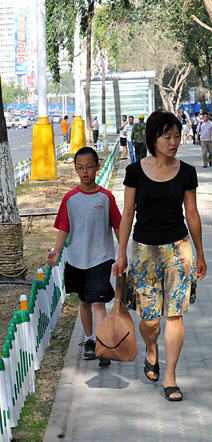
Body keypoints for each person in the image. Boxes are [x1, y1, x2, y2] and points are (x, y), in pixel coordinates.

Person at [114, 110, 207, 402]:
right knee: (150, 321)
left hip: (179, 250)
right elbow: (127, 213)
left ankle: (170, 377)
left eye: (177, 136)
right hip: (143, 252)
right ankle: (151, 350)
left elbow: (191, 214)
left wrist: (200, 253)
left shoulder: (187, 172)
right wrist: (121, 255)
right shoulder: (134, 171)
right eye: (167, 136)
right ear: (153, 138)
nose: (174, 142)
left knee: (175, 315)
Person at [48, 147, 121, 367]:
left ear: (97, 167)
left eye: (89, 167)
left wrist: (122, 254)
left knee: (98, 302)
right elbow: (63, 226)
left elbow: (118, 225)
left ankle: (102, 344)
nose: (85, 172)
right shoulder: (70, 199)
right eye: (80, 168)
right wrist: (57, 250)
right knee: (84, 302)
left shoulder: (106, 197)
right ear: (76, 170)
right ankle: (89, 340)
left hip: (101, 258)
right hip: (76, 259)